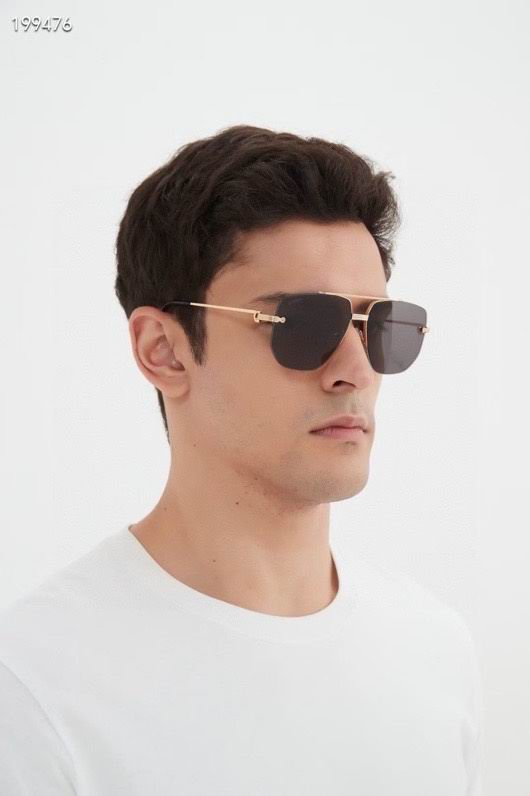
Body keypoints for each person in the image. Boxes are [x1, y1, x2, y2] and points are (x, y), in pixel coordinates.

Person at [0, 124, 483, 794]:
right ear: (163, 352)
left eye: (378, 325)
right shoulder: (36, 687)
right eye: (303, 325)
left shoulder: (434, 652)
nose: (354, 369)